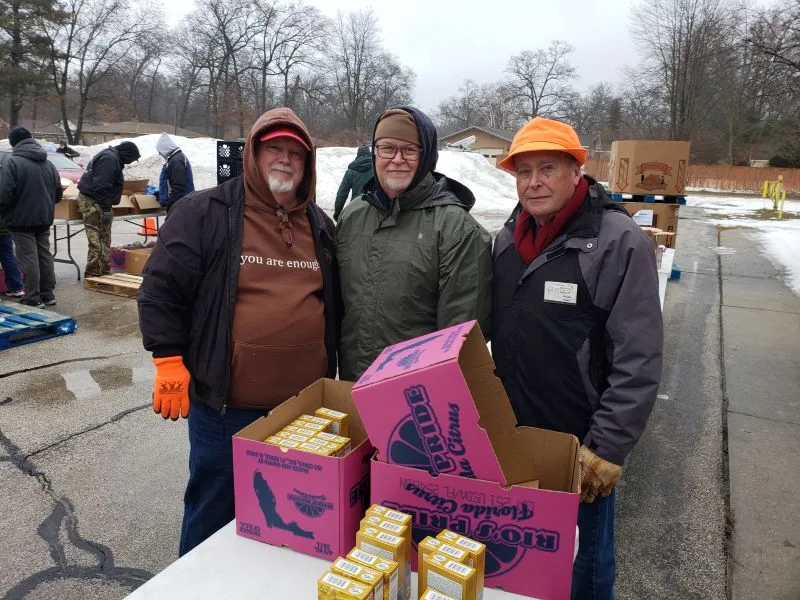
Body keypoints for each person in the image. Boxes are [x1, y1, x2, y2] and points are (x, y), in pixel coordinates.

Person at [137, 108, 340, 556]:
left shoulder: (320, 226)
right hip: (228, 411)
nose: (285, 160)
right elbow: (160, 290)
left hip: (305, 415)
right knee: (212, 516)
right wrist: (168, 359)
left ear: (307, 166)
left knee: (291, 524)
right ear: (252, 154)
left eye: (296, 153)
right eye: (274, 149)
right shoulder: (205, 212)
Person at [490, 117, 663, 599]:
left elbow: (640, 355)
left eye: (547, 168)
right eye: (524, 172)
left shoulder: (616, 242)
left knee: (584, 566)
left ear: (575, 172)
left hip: (580, 444)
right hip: (519, 437)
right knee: (524, 562)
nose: (534, 182)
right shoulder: (508, 241)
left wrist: (607, 446)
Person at [335, 106, 492, 381]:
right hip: (351, 387)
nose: (397, 159)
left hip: (415, 400)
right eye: (387, 148)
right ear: (374, 152)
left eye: (409, 150)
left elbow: (461, 339)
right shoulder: (353, 215)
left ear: (427, 156)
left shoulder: (455, 228)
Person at [0, 127, 62, 307]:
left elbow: (4, 194)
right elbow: (58, 193)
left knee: (28, 257)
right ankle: (47, 293)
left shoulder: (13, 163)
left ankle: (33, 297)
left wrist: (5, 212)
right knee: (44, 255)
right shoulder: (49, 163)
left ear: (13, 143)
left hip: (20, 219)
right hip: (44, 217)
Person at [76, 141, 140, 277]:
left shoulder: (112, 157)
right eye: (132, 159)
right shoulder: (109, 159)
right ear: (127, 154)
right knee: (97, 242)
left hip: (99, 201)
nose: (130, 163)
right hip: (94, 201)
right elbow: (101, 186)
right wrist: (105, 208)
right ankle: (93, 275)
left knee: (104, 239)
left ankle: (103, 272)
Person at [0, 151, 25, 299]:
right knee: (8, 255)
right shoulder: (7, 175)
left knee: (8, 255)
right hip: (5, 223)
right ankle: (16, 287)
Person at [155, 133, 195, 211]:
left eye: (160, 151)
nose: (159, 153)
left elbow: (178, 186)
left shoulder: (177, 160)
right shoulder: (173, 159)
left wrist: (172, 205)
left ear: (165, 148)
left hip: (182, 204)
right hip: (180, 202)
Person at [333, 144, 373, 220]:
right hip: (375, 210)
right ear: (369, 154)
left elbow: (342, 194)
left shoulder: (351, 171)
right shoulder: (377, 169)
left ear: (358, 155)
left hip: (356, 209)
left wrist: (337, 213)